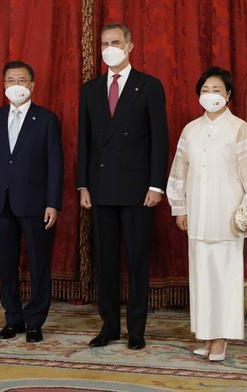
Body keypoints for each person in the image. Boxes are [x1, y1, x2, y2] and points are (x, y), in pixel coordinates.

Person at [77, 23, 168, 350]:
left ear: (130, 45)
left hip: (138, 190)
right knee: (106, 261)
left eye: (115, 42)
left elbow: (160, 140)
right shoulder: (90, 90)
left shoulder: (149, 86)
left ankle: (137, 329)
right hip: (101, 189)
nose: (109, 48)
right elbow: (84, 142)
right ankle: (110, 326)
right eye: (104, 43)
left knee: (137, 258)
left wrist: (157, 185)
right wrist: (83, 185)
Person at [166, 67, 247, 361]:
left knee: (224, 277)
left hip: (227, 217)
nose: (211, 95)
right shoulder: (190, 130)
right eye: (205, 90)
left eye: (217, 90)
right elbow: (178, 172)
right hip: (198, 215)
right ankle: (206, 336)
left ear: (228, 95)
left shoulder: (239, 129)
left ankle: (221, 339)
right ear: (199, 95)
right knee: (201, 277)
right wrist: (180, 208)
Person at [0, 60, 63, 343]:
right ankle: (12, 318)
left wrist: (53, 203)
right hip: (1, 203)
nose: (16, 85)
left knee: (39, 264)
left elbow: (55, 165)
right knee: (7, 264)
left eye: (22, 80)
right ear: (3, 85)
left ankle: (35, 321)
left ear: (32, 85)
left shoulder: (47, 119)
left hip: (36, 204)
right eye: (10, 80)